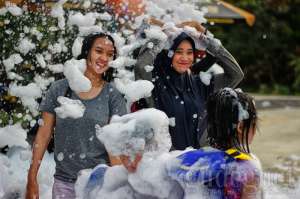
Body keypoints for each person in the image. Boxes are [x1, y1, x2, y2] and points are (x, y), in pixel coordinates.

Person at [26, 32, 127, 199]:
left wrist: (120, 187)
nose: (104, 58)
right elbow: (43, 135)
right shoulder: (59, 89)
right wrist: (32, 178)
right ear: (87, 52)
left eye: (109, 54)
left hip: (100, 185)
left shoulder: (113, 95)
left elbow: (114, 146)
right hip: (64, 184)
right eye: (99, 51)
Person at [134, 18, 244, 150]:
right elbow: (141, 66)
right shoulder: (154, 83)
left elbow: (236, 74)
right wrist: (163, 35)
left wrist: (204, 37)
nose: (185, 58)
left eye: (189, 52)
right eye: (178, 52)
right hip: (165, 165)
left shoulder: (201, 84)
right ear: (169, 53)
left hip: (198, 163)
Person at [168, 88, 261, 199]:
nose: (255, 130)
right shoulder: (247, 168)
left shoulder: (188, 158)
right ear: (240, 127)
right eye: (254, 124)